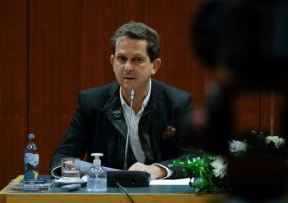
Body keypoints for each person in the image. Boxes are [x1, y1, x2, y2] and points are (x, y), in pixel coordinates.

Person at [51, 21, 193, 179]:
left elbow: (194, 158)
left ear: (154, 66)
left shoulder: (177, 102)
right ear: (112, 62)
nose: (128, 67)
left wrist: (158, 170)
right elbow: (63, 155)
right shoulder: (91, 102)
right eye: (122, 59)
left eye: (137, 59)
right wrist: (69, 168)